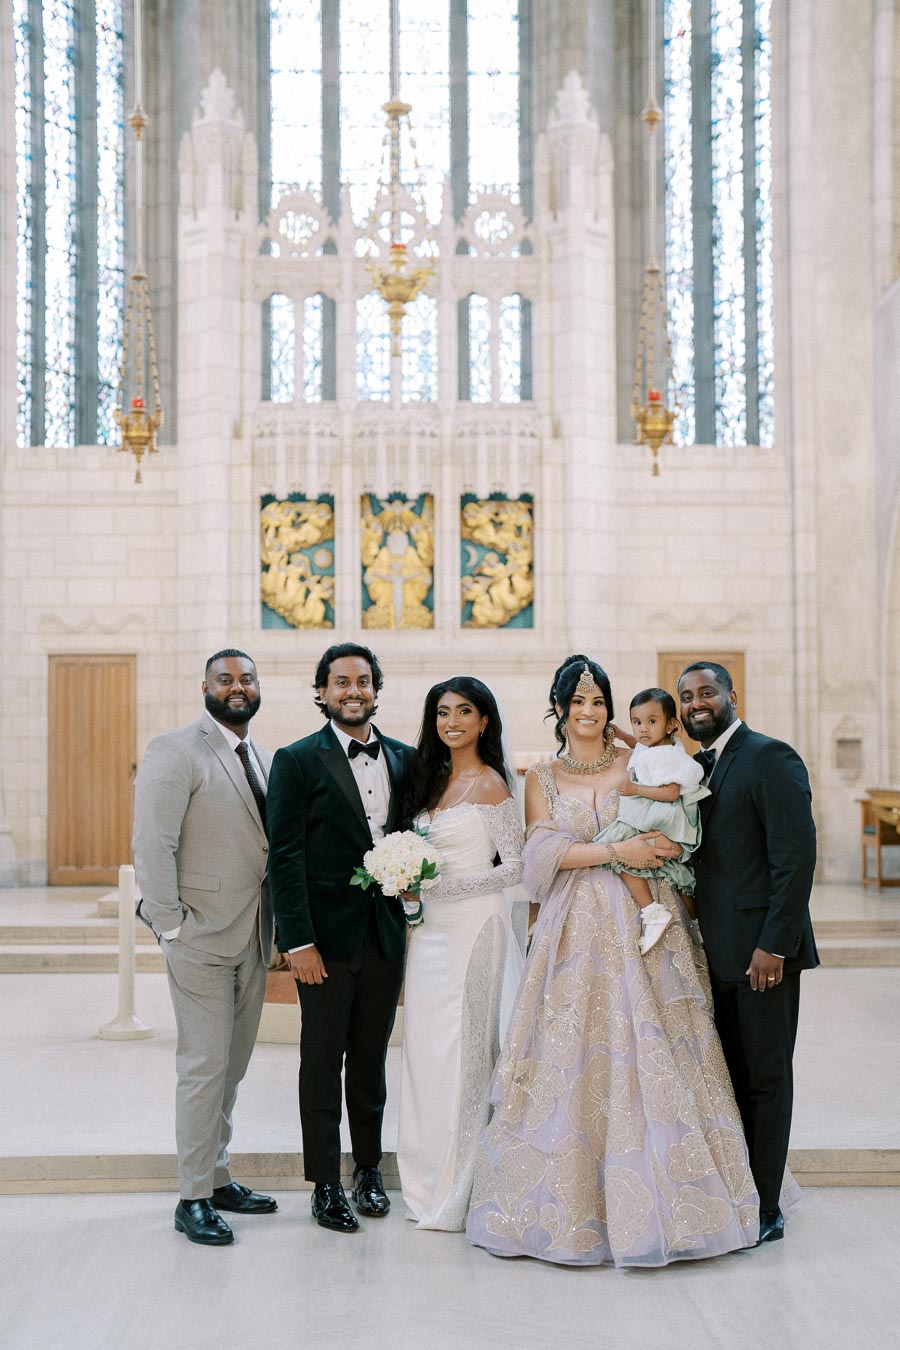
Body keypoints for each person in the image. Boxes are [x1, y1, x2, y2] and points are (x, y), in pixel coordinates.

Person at [466, 654, 763, 1266]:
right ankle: (575, 1202)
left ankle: (673, 1202)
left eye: (598, 701)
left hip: (648, 920)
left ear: (611, 708)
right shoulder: (541, 776)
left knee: (657, 1048)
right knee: (573, 1060)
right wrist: (616, 848)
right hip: (573, 930)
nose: (587, 711)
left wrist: (645, 846)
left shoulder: (639, 761)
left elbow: (674, 821)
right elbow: (539, 858)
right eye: (577, 702)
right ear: (559, 709)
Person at [266, 643, 416, 1233]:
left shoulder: (405, 758)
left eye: (362, 681)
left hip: (385, 938)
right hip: (322, 944)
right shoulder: (298, 759)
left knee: (373, 1061)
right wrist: (296, 940)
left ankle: (369, 1171)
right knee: (322, 1061)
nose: (352, 691)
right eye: (340, 682)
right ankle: (325, 1183)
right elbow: (285, 855)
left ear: (376, 689)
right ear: (323, 691)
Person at [132, 649, 276, 1246]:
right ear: (205, 687)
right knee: (203, 1067)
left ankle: (217, 1177)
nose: (237, 687)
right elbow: (152, 842)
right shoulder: (176, 748)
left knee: (233, 1067)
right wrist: (170, 925)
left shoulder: (260, 756)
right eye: (225, 679)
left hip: (253, 934)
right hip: (200, 937)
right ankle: (191, 1196)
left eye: (246, 678)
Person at [677, 661, 818, 1246]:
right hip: (715, 953)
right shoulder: (696, 769)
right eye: (686, 697)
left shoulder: (770, 757)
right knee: (729, 1076)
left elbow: (795, 858)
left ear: (733, 695)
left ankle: (766, 1207)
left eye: (706, 692)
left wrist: (773, 946)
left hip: (762, 956)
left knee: (765, 1077)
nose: (695, 704)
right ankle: (738, 1191)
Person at [397, 677, 525, 1230]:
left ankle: (461, 1185)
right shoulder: (428, 781)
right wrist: (405, 884)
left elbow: (515, 867)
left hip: (475, 927)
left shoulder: (493, 784)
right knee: (425, 1053)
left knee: (467, 1050)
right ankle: (424, 1180)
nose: (452, 722)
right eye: (443, 712)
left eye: (464, 712)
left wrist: (441, 889)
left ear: (484, 721)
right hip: (427, 936)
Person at [595, 688, 709, 954]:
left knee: (614, 850)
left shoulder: (666, 755)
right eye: (637, 722)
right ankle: (696, 923)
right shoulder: (659, 746)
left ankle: (651, 910)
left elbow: (670, 792)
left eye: (651, 721)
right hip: (658, 813)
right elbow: (642, 750)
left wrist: (635, 790)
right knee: (674, 873)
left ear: (671, 724)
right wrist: (624, 736)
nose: (643, 729)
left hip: (663, 812)